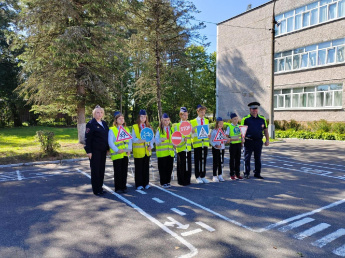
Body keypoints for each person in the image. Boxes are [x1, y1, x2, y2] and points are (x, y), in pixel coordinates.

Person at [84, 105, 109, 196]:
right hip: (95, 151)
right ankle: (96, 189)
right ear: (94, 113)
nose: (99, 114)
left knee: (101, 169)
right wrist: (88, 151)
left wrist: (108, 148)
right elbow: (87, 138)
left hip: (103, 151)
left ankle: (100, 187)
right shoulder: (90, 124)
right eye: (97, 112)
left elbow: (107, 137)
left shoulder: (104, 123)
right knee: (95, 170)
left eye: (101, 112)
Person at [241, 102, 269, 179]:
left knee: (258, 158)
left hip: (258, 141)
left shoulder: (262, 119)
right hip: (248, 141)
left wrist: (267, 140)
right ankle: (246, 173)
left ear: (257, 109)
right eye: (253, 109)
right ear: (250, 109)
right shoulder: (245, 119)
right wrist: (242, 139)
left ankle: (257, 173)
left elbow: (266, 130)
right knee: (247, 158)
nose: (254, 110)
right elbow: (242, 130)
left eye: (255, 109)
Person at [108, 111, 132, 193]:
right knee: (118, 171)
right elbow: (110, 142)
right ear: (116, 120)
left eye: (123, 118)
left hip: (125, 154)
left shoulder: (126, 129)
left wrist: (129, 150)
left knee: (124, 171)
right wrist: (117, 150)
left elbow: (129, 141)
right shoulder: (112, 130)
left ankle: (123, 186)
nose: (122, 120)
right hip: (117, 154)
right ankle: (118, 188)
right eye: (120, 118)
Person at [132, 109, 154, 190]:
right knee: (138, 168)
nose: (143, 118)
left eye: (144, 117)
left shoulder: (149, 127)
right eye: (141, 117)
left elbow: (152, 138)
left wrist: (151, 146)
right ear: (139, 117)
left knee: (146, 168)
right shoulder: (135, 127)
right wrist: (139, 140)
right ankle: (139, 184)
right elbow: (133, 139)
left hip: (147, 151)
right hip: (138, 151)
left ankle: (146, 183)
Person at [190, 104, 210, 184]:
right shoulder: (193, 121)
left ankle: (203, 176)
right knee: (197, 161)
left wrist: (208, 134)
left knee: (204, 160)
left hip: (204, 143)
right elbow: (191, 134)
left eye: (204, 112)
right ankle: (197, 176)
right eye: (201, 112)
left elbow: (207, 131)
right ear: (198, 112)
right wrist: (196, 132)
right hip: (197, 144)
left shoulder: (206, 121)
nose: (203, 114)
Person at [173, 107, 192, 186]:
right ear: (180, 115)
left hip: (188, 147)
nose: (185, 117)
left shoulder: (189, 124)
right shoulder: (177, 126)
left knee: (188, 164)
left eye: (186, 115)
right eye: (184, 115)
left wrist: (190, 136)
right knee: (181, 164)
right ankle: (181, 180)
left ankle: (187, 180)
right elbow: (175, 138)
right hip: (180, 148)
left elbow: (191, 135)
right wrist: (181, 140)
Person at [155, 113, 175, 188]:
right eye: (165, 120)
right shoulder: (159, 129)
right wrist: (160, 140)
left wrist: (175, 144)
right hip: (162, 153)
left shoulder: (172, 129)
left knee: (169, 168)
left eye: (168, 120)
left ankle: (168, 181)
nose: (166, 122)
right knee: (162, 168)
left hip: (170, 152)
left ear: (169, 120)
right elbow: (156, 141)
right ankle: (163, 182)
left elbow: (174, 139)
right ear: (162, 121)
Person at [226, 113, 244, 180]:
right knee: (232, 160)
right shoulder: (229, 127)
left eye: (237, 119)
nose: (236, 120)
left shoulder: (239, 127)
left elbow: (242, 135)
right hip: (233, 145)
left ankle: (237, 174)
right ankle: (232, 174)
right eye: (234, 119)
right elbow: (227, 137)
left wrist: (242, 140)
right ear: (231, 120)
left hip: (238, 145)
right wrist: (232, 139)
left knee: (238, 160)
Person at [209, 117, 226, 182]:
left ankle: (220, 175)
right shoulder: (214, 131)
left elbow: (224, 139)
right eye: (220, 124)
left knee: (221, 162)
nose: (221, 125)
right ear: (217, 124)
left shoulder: (223, 131)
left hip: (222, 148)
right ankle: (214, 176)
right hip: (216, 149)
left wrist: (226, 141)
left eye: (222, 124)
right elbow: (211, 141)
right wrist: (215, 145)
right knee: (215, 162)